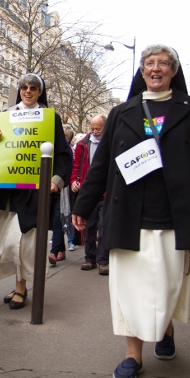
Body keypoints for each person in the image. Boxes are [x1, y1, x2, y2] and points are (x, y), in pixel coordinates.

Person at [72, 44, 190, 378]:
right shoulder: (121, 113)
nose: (157, 68)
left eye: (164, 63)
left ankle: (165, 328)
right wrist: (82, 206)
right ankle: (133, 355)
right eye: (150, 63)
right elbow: (102, 165)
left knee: (167, 284)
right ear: (143, 71)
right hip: (130, 215)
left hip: (179, 216)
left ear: (173, 71)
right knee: (131, 289)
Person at [0, 73, 72, 310]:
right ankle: (19, 284)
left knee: (24, 242)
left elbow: (62, 155)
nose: (28, 91)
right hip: (9, 191)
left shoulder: (51, 119)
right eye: (24, 88)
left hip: (34, 192)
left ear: (40, 92)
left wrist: (56, 180)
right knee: (9, 242)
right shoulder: (8, 116)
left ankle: (21, 287)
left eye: (33, 88)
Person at [70, 114, 109, 275]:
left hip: (106, 191)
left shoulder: (110, 142)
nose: (94, 131)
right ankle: (89, 258)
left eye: (98, 129)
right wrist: (74, 180)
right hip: (88, 191)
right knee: (89, 226)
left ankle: (103, 260)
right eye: (92, 128)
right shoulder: (82, 144)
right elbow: (76, 165)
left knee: (104, 226)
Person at [48, 125, 74, 265]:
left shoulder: (66, 150)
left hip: (62, 189)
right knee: (57, 219)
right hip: (54, 187)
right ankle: (61, 249)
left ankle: (54, 251)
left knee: (58, 220)